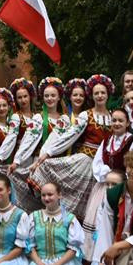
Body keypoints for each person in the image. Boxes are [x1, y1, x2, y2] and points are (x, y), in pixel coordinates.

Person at [31, 76, 114, 236]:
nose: (100, 96)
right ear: (92, 95)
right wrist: (47, 154)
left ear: (108, 94)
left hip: (102, 167)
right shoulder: (86, 115)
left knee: (93, 204)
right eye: (96, 93)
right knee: (69, 195)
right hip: (83, 162)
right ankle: (58, 231)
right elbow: (68, 136)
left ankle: (86, 240)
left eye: (103, 92)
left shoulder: (112, 117)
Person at [19, 182, 89, 265]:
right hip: (39, 262)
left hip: (63, 263)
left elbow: (73, 249)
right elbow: (29, 245)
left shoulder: (69, 218)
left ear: (59, 195)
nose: (46, 198)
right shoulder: (34, 217)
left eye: (50, 194)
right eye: (43, 195)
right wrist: (39, 263)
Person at [10, 77, 67, 211]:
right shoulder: (38, 118)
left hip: (58, 162)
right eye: (46, 96)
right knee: (41, 198)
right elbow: (28, 141)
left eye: (53, 95)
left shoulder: (65, 119)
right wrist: (17, 161)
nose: (50, 98)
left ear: (59, 97)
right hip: (39, 162)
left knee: (56, 197)